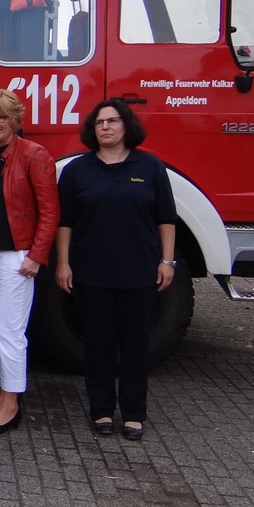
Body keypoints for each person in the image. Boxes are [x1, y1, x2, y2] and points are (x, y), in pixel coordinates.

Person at [55, 99, 176, 442]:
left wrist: (167, 262)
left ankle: (134, 414)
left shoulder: (149, 166)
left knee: (136, 346)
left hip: (139, 273)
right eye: (99, 123)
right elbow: (66, 222)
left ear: (126, 126)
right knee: (98, 345)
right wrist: (63, 263)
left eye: (112, 121)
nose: (105, 127)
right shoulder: (78, 170)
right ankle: (101, 410)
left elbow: (166, 218)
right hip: (92, 273)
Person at [0, 90, 59, 436]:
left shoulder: (34, 155)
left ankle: (12, 403)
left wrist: (37, 255)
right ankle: (3, 391)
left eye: (0, 117)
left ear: (14, 120)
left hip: (17, 256)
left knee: (10, 332)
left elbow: (50, 211)